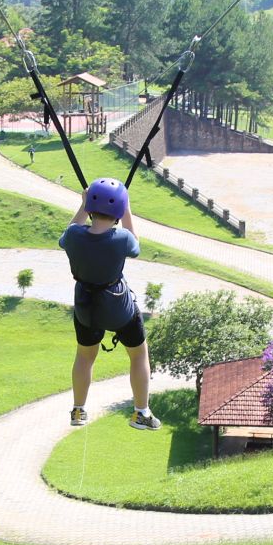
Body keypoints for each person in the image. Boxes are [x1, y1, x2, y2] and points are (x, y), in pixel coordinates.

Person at [59, 177, 160, 430]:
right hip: (118, 309)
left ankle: (79, 410)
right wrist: (126, 210)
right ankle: (141, 412)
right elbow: (135, 245)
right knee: (138, 355)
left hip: (86, 308)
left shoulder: (73, 236)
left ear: (91, 207)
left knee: (84, 356)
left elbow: (67, 234)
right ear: (117, 211)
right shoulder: (121, 239)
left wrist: (83, 205)